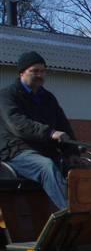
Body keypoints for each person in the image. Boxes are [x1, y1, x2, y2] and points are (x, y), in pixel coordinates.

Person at [0, 51, 79, 210]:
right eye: (34, 71)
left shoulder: (48, 98)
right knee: (46, 167)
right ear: (22, 72)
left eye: (42, 71)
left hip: (44, 150)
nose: (39, 75)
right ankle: (72, 214)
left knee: (82, 170)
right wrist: (49, 133)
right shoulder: (7, 96)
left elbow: (63, 125)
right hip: (16, 151)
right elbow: (19, 125)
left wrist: (72, 152)